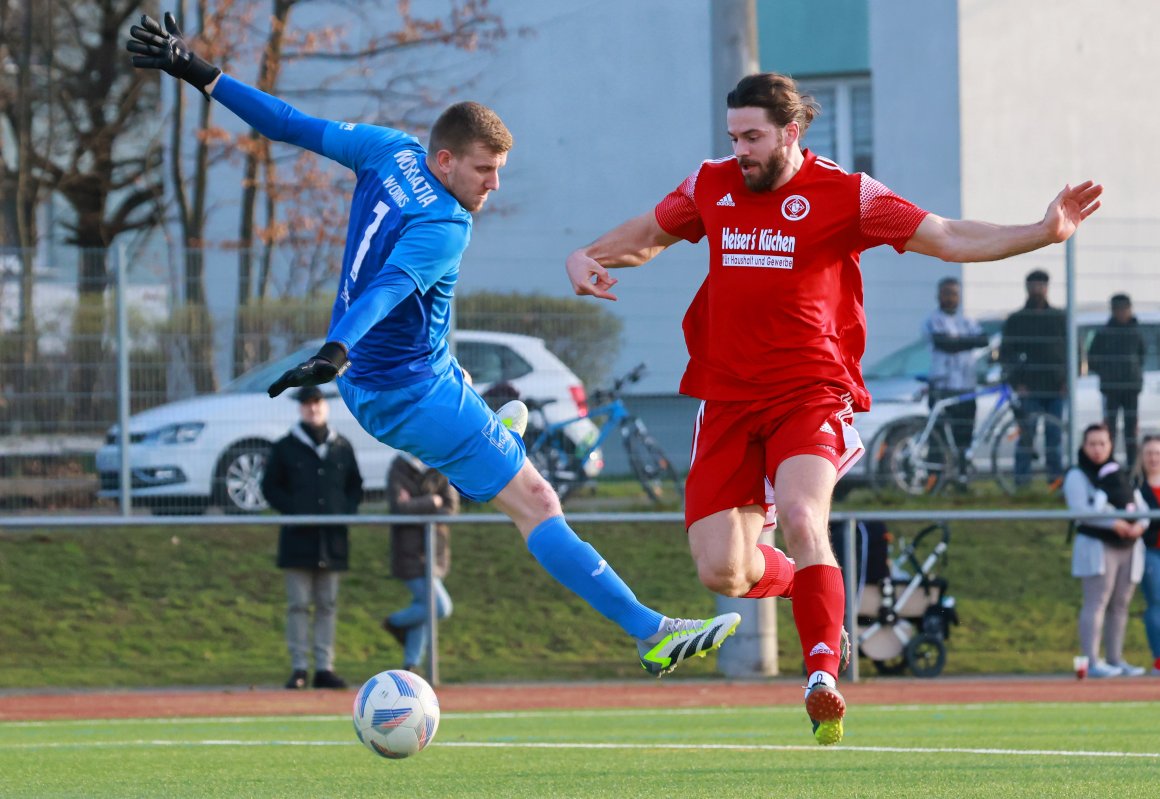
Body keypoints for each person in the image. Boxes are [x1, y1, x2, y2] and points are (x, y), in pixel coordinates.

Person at [127, 13, 740, 680]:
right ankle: (649, 630)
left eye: (500, 170)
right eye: (484, 169)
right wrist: (337, 348)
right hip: (410, 394)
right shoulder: (444, 223)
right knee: (537, 504)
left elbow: (286, 122)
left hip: (412, 375)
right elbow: (389, 287)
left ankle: (488, 438)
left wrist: (197, 72)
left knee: (494, 410)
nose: (494, 185)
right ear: (446, 160)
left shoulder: (388, 150)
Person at [564, 71, 1102, 743]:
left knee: (799, 513)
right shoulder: (712, 183)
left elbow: (950, 236)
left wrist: (1041, 232)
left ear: (792, 132)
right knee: (721, 569)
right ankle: (810, 587)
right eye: (734, 137)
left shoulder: (848, 195)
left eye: (754, 137)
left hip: (810, 390)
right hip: (727, 397)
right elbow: (649, 233)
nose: (742, 151)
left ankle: (821, 670)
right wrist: (587, 254)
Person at [260, 386, 364, 690]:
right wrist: (296, 510)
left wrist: (343, 512)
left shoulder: (341, 446)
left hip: (331, 541)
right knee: (298, 605)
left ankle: (324, 667)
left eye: (317, 403)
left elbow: (354, 486)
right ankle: (299, 667)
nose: (312, 409)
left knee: (327, 605)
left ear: (326, 406)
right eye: (306, 404)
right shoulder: (285, 447)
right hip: (298, 539)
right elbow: (270, 488)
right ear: (300, 408)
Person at [1062, 422, 1147, 678]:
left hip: (1128, 547)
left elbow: (1139, 504)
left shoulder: (1118, 472)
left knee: (1120, 605)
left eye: (1102, 443)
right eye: (1092, 444)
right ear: (1083, 446)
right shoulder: (1078, 475)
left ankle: (1115, 658)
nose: (1097, 449)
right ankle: (1092, 661)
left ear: (1110, 445)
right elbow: (1081, 511)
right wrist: (1114, 523)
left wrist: (1139, 526)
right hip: (1098, 546)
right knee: (1097, 602)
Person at [382, 451, 458, 672]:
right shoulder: (398, 466)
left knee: (424, 608)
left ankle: (411, 664)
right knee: (440, 607)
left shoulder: (440, 462)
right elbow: (398, 508)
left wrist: (416, 504)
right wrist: (432, 501)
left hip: (435, 551)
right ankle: (394, 622)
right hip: (409, 552)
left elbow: (451, 508)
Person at [998, 269, 1067, 488]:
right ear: (1027, 288)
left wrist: (1067, 381)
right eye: (1033, 285)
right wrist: (1017, 383)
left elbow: (1072, 352)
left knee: (1054, 438)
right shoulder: (1017, 320)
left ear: (1047, 288)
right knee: (1026, 436)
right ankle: (1022, 484)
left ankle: (1055, 483)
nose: (1037, 290)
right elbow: (1006, 354)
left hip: (1057, 388)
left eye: (1041, 285)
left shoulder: (1059, 318)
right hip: (1029, 388)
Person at [921, 276, 990, 485]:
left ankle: (961, 480)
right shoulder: (932, 320)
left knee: (964, 436)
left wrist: (957, 341)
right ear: (938, 296)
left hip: (966, 387)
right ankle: (935, 480)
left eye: (954, 294)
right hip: (942, 387)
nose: (950, 298)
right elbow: (944, 344)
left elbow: (983, 340)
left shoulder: (967, 321)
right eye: (946, 293)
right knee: (939, 437)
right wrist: (966, 342)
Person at [1088, 293, 1146, 468]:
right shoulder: (1104, 333)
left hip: (1131, 389)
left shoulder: (1136, 332)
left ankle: (1132, 468)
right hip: (1110, 388)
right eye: (1118, 309)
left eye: (1124, 309)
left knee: (1131, 431)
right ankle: (1109, 465)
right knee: (1109, 430)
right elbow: (1092, 359)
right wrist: (1107, 372)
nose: (1121, 313)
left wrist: (1131, 372)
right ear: (1113, 311)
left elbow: (1142, 357)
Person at [1132, 433, 1160, 676]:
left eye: (1158, 453)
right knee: (1156, 603)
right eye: (1149, 453)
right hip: (1151, 550)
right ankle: (1159, 659)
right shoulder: (1136, 486)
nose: (1154, 458)